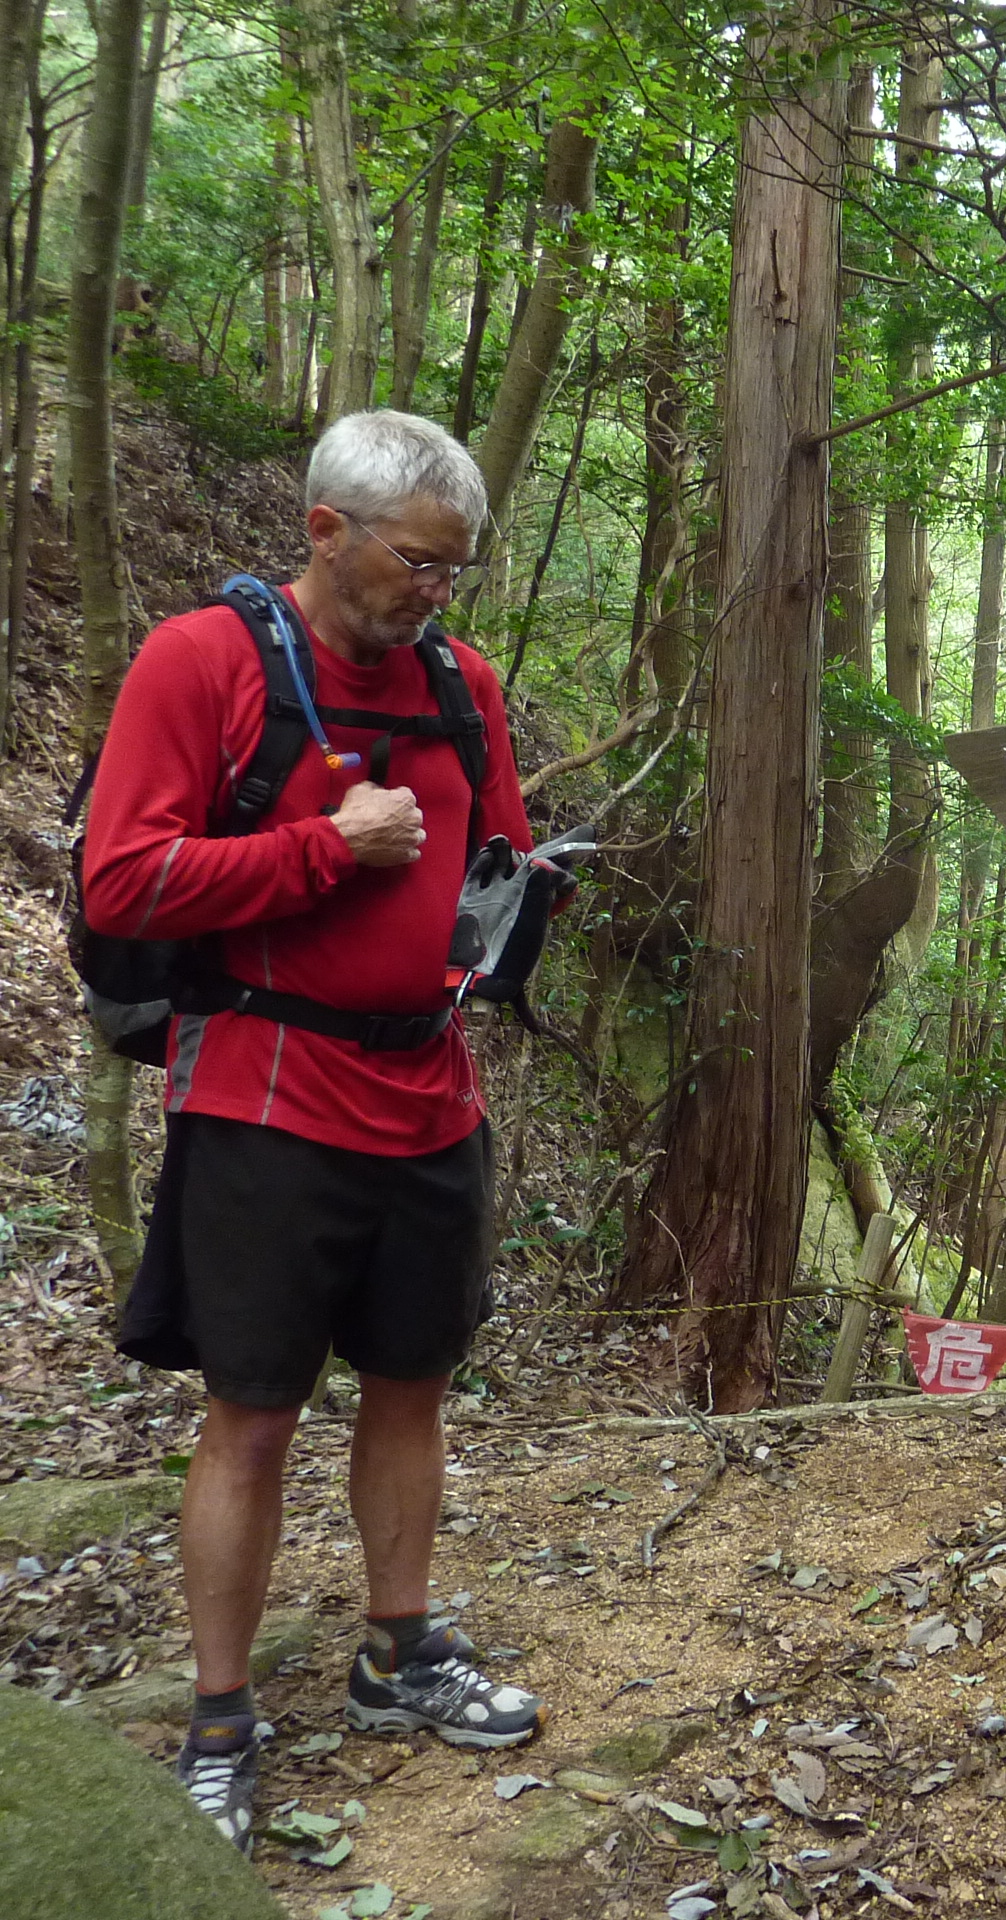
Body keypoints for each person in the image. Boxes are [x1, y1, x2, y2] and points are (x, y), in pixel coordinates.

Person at [82, 411, 547, 1852]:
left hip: (430, 1093)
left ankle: (399, 1651)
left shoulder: (461, 682)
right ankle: (220, 1718)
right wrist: (322, 851)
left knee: (413, 1383)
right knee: (253, 1410)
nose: (437, 593)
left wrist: (518, 914)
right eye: (418, 562)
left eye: (457, 568)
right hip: (266, 1096)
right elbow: (122, 881)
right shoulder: (202, 661)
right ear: (326, 531)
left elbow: (497, 852)